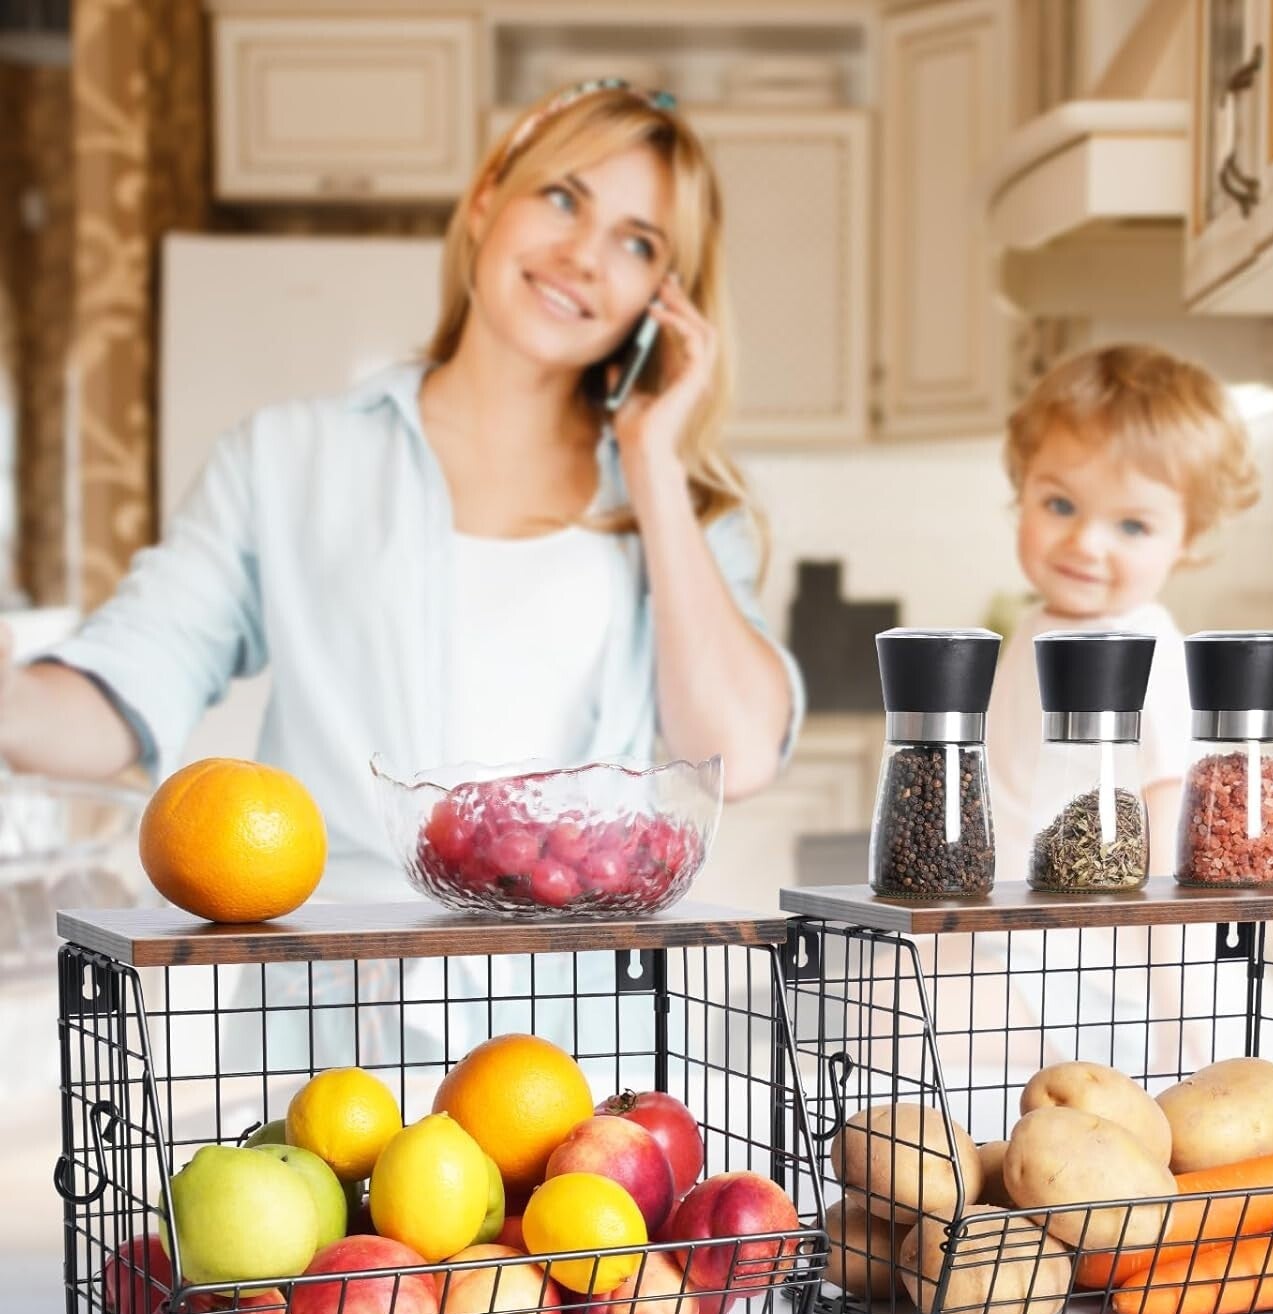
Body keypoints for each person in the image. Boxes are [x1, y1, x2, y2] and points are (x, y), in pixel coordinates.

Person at [0, 79, 804, 907]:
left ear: (661, 302)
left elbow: (736, 755)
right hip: (329, 1009)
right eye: (563, 198)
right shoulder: (286, 459)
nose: (585, 257)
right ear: (489, 198)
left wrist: (653, 460)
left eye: (638, 244)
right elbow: (129, 682)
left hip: (584, 1022)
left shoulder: (681, 505)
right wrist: (11, 701)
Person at [987, 343, 1260, 881]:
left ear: (1189, 537)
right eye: (1060, 505)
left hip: (1085, 949)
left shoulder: (1142, 652)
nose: (1085, 543)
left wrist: (1162, 963)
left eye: (1132, 526)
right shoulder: (1039, 625)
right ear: (1024, 488)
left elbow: (1169, 814)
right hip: (1007, 933)